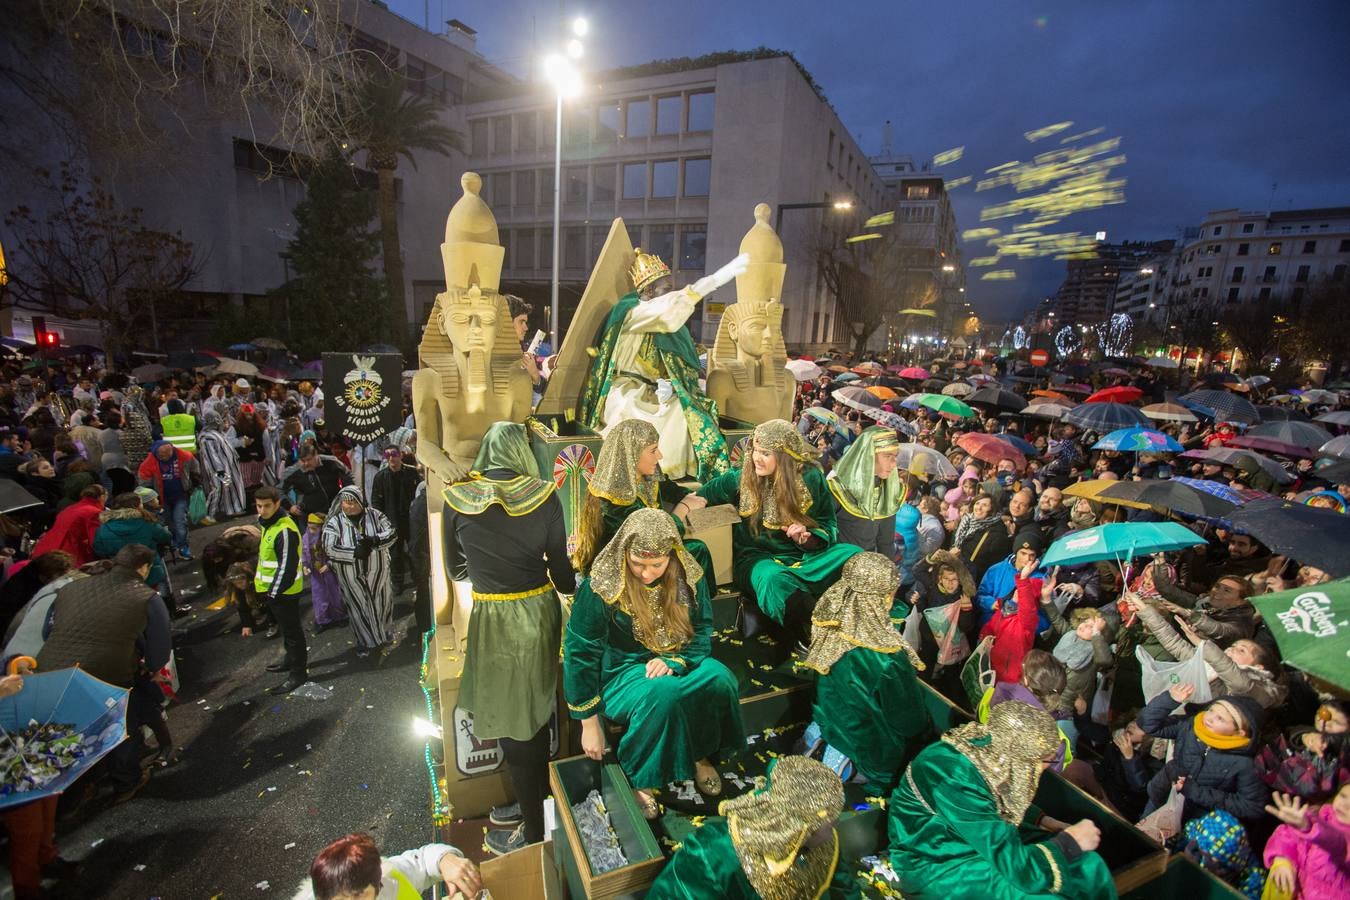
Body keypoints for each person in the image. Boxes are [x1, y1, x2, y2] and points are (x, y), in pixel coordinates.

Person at [564, 508, 743, 820]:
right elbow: (580, 652)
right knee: (663, 694)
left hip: (677, 658)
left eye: (656, 565)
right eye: (637, 564)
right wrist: (588, 722)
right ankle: (640, 778)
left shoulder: (689, 576)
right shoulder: (602, 585)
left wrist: (677, 660)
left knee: (720, 678)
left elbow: (701, 630)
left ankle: (700, 755)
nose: (645, 574)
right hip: (620, 671)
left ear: (671, 556)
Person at [887, 700, 1115, 900]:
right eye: (1046, 762)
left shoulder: (988, 750)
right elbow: (1018, 869)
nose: (1047, 769)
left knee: (1088, 865)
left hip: (965, 842)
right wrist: (1068, 844)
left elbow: (995, 796)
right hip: (935, 863)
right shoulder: (953, 776)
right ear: (1019, 757)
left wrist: (1043, 820)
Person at [577, 248, 744, 481]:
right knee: (632, 411)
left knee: (680, 410)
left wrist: (668, 386)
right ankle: (630, 474)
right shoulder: (632, 313)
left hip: (653, 390)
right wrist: (711, 282)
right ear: (648, 290)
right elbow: (666, 312)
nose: (669, 294)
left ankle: (669, 476)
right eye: (665, 289)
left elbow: (669, 361)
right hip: (623, 387)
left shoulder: (661, 324)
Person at [694, 419, 861, 642]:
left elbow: (827, 524)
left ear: (784, 455)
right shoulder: (741, 477)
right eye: (755, 450)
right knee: (774, 580)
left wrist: (806, 538)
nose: (755, 458)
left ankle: (854, 625)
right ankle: (819, 637)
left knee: (853, 555)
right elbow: (703, 495)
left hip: (805, 557)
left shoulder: (811, 477)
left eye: (765, 453)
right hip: (757, 560)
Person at [37, 543, 168, 803]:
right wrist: (152, 667)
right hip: (107, 672)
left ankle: (74, 796)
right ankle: (126, 782)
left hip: (52, 670)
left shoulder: (70, 588)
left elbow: (47, 631)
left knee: (70, 733)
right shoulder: (145, 596)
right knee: (118, 727)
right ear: (143, 567)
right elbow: (159, 642)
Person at [802, 552, 933, 793]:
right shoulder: (887, 658)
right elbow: (909, 721)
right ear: (881, 599)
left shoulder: (828, 626)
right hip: (866, 752)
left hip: (828, 723)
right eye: (891, 594)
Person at [645, 756, 845, 900]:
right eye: (831, 822)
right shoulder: (712, 853)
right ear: (798, 827)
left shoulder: (824, 840)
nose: (834, 827)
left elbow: (843, 886)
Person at [1138, 682, 1268, 824]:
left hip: (1197, 821)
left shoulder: (1244, 763)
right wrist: (1169, 699)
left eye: (1220, 719)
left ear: (1240, 732)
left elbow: (1252, 807)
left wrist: (1195, 792)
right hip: (1163, 796)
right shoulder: (1190, 726)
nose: (1209, 718)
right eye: (1211, 710)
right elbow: (1147, 725)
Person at [321, 486, 398, 658]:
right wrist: (354, 552)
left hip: (378, 571)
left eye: (353, 502)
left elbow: (392, 533)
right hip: (350, 576)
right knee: (358, 609)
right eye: (345, 503)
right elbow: (329, 547)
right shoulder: (335, 523)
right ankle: (365, 643)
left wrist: (374, 540)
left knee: (383, 603)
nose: (349, 506)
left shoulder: (376, 516)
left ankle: (385, 635)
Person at [298, 833, 481, 900]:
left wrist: (445, 860)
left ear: (377, 884)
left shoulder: (392, 879)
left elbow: (423, 860)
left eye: (359, 896)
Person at [254, 485, 306, 694]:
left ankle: (298, 674)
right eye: (259, 506)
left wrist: (272, 593)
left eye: (267, 506)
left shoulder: (284, 529)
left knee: (293, 633)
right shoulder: (269, 524)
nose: (262, 510)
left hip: (284, 592)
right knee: (287, 631)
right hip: (275, 591)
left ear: (277, 504)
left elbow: (287, 566)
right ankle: (289, 661)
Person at [826, 425, 906, 555]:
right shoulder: (838, 487)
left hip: (867, 568)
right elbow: (822, 535)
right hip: (836, 564)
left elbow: (886, 542)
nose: (894, 464)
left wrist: (887, 572)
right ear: (867, 454)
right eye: (887, 456)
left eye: (895, 456)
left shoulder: (889, 489)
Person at [1262, 784, 1350, 900]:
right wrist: (1283, 860)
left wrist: (1309, 827)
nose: (1345, 805)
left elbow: (1339, 843)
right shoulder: (1319, 814)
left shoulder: (1313, 824)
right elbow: (1286, 835)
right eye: (1343, 796)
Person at [368, 447, 421, 593]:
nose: (391, 458)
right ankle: (397, 582)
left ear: (401, 455)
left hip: (410, 519)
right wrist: (381, 521)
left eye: (394, 455)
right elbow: (376, 501)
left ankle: (418, 579)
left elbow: (420, 493)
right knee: (395, 554)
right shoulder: (381, 476)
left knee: (414, 551)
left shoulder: (411, 473)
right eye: (388, 455)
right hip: (391, 521)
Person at [136, 439, 198, 559]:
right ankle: (174, 541)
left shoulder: (184, 456)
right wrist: (151, 499)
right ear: (155, 453)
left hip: (181, 495)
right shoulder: (147, 464)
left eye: (168, 454)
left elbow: (195, 467)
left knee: (180, 521)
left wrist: (196, 480)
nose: (165, 457)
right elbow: (144, 483)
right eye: (162, 455)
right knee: (169, 523)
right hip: (161, 500)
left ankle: (183, 546)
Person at [30, 483, 106, 566]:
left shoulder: (71, 507)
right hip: (67, 551)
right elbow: (95, 539)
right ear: (102, 497)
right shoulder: (94, 512)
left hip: (46, 546)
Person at [197, 410, 246, 522]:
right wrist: (219, 471)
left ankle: (233, 509)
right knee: (217, 489)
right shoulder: (207, 437)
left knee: (229, 488)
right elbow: (211, 456)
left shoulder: (216, 434)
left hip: (228, 467)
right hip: (219, 469)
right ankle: (208, 515)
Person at [282, 444, 353, 521]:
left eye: (308, 460)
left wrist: (348, 494)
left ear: (316, 455)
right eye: (302, 460)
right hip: (309, 517)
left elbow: (347, 474)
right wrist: (290, 506)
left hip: (337, 511)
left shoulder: (331, 462)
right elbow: (278, 490)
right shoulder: (293, 471)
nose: (306, 463)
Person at [954, 492, 1012, 584]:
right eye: (977, 503)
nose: (979, 507)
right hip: (958, 573)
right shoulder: (967, 520)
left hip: (975, 580)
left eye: (984, 505)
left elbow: (992, 564)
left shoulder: (997, 533)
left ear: (992, 509)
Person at [303, 513, 347, 634]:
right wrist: (305, 566)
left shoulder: (328, 538)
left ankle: (339, 616)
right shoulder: (305, 538)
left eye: (314, 528)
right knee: (319, 598)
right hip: (316, 575)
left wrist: (329, 564)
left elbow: (335, 553)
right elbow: (303, 553)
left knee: (335, 595)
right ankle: (322, 620)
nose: (311, 531)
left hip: (329, 573)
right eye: (309, 527)